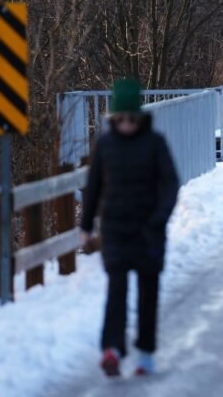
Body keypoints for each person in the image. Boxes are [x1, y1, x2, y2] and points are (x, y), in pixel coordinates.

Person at [80, 78, 179, 377]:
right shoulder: (105, 145)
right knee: (117, 289)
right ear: (113, 117)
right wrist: (85, 227)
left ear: (139, 116)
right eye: (119, 117)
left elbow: (170, 184)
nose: (125, 123)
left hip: (148, 231)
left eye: (130, 117)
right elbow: (94, 185)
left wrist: (159, 218)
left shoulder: (155, 143)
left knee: (148, 293)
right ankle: (112, 349)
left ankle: (145, 353)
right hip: (116, 230)